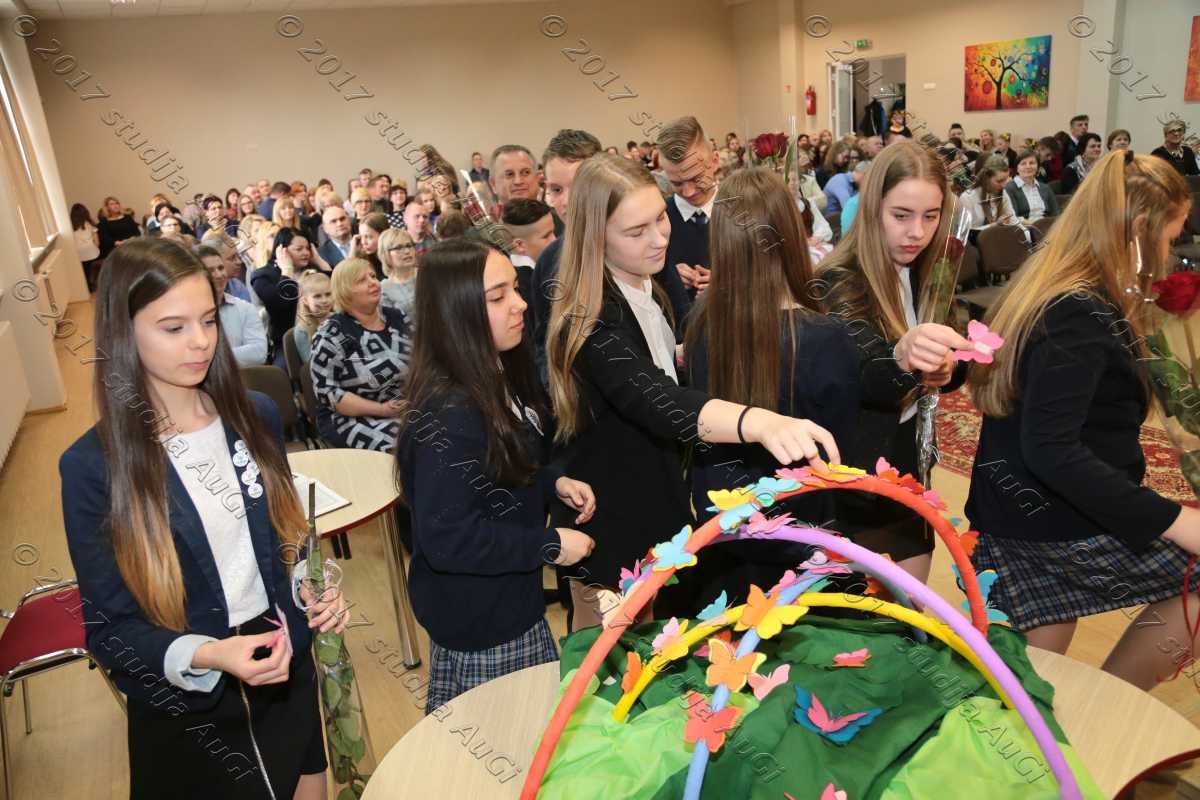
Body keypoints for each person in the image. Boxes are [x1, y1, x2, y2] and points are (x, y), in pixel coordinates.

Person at [60, 237, 345, 799]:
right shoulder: (94, 467)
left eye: (209, 320)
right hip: (188, 710)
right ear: (123, 333)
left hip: (282, 672)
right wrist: (207, 653)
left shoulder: (256, 416)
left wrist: (312, 591)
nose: (201, 341)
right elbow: (111, 633)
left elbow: (280, 546)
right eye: (174, 328)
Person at [546, 154, 840, 626]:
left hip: (656, 515)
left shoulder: (649, 286)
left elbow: (656, 370)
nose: (659, 238)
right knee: (612, 658)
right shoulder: (593, 319)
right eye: (636, 231)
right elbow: (658, 400)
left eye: (660, 218)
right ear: (595, 236)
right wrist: (758, 422)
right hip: (610, 530)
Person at [964, 150, 1200, 691]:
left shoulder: (1055, 283)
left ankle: (1071, 725)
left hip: (1017, 514)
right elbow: (1052, 450)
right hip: (1050, 524)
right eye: (1171, 235)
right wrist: (1176, 521)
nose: (1172, 252)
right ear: (1139, 232)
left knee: (1029, 690)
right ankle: (1112, 707)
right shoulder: (1078, 309)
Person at [395, 238, 595, 711]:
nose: (520, 304)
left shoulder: (497, 373)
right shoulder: (451, 412)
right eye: (497, 296)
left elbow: (501, 469)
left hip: (510, 599)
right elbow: (450, 538)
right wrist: (549, 544)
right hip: (482, 617)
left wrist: (551, 481)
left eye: (515, 290)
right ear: (456, 313)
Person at [684, 168, 859, 595]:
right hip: (806, 540)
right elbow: (841, 450)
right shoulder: (825, 336)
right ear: (793, 235)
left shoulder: (701, 323)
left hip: (727, 529)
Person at [814, 140, 972, 582]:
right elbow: (864, 378)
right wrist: (902, 359)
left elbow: (956, 354)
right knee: (857, 612)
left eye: (931, 216)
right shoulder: (838, 282)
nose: (917, 232)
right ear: (872, 210)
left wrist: (946, 368)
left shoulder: (929, 271)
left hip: (909, 461)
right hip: (855, 474)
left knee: (912, 608)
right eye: (901, 216)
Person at [309, 257, 413, 450]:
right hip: (350, 417)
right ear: (345, 291)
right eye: (361, 280)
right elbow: (328, 392)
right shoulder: (331, 333)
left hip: (404, 406)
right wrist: (381, 409)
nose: (373, 282)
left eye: (373, 276)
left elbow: (423, 361)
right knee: (406, 446)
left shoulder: (397, 317)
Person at [530, 129, 604, 383]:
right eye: (556, 189)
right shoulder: (549, 261)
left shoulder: (636, 247)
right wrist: (554, 386)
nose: (567, 201)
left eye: (579, 186)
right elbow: (543, 342)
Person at [657, 116, 721, 314]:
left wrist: (730, 283)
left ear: (715, 161)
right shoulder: (656, 221)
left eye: (696, 179)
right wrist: (668, 278)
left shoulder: (743, 212)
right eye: (676, 183)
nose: (688, 192)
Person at [251, 228, 315, 366]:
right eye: (299, 249)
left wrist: (320, 261)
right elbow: (280, 303)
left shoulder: (312, 271)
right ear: (282, 250)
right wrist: (287, 270)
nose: (305, 253)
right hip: (285, 342)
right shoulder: (263, 275)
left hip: (316, 334)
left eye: (308, 248)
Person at [197, 244, 268, 367]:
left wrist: (212, 356)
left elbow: (259, 353)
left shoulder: (244, 308)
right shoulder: (187, 313)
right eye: (210, 271)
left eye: (221, 268)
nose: (219, 275)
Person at [501, 197, 556, 333]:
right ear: (519, 245)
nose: (555, 240)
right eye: (546, 236)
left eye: (553, 232)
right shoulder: (525, 286)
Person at [962, 155, 1018, 234]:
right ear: (986, 179)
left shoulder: (1003, 193)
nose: (1004, 185)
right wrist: (994, 226)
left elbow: (1014, 221)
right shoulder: (967, 197)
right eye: (999, 181)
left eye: (1006, 180)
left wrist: (1026, 235)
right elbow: (965, 232)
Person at [1005, 149, 1060, 224]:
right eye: (1023, 164)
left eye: (1032, 163)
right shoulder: (1010, 188)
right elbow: (1012, 218)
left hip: (1047, 225)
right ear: (1017, 168)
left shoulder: (1045, 188)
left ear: (1038, 167)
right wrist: (1035, 224)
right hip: (1024, 227)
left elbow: (1056, 213)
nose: (1028, 166)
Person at [292, 269, 333, 364]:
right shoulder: (302, 330)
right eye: (317, 296)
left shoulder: (341, 318)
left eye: (328, 294)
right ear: (305, 300)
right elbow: (310, 363)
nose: (324, 300)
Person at [379, 227, 419, 320]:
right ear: (386, 254)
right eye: (399, 248)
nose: (407, 251)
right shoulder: (384, 289)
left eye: (409, 245)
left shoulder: (428, 274)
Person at [72, 202, 101, 291]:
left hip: (78, 253)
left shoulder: (70, 226)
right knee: (92, 267)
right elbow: (97, 241)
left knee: (84, 270)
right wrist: (96, 247)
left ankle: (87, 286)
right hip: (91, 251)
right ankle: (94, 284)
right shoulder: (90, 224)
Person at [351, 212, 388, 280]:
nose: (363, 242)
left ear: (383, 234)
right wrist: (352, 253)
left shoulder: (395, 255)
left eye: (368, 237)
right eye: (361, 237)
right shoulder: (363, 260)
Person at [317, 203, 353, 268]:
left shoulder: (363, 241)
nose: (339, 224)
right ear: (325, 229)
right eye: (333, 221)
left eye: (342, 219)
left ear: (349, 220)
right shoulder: (322, 254)